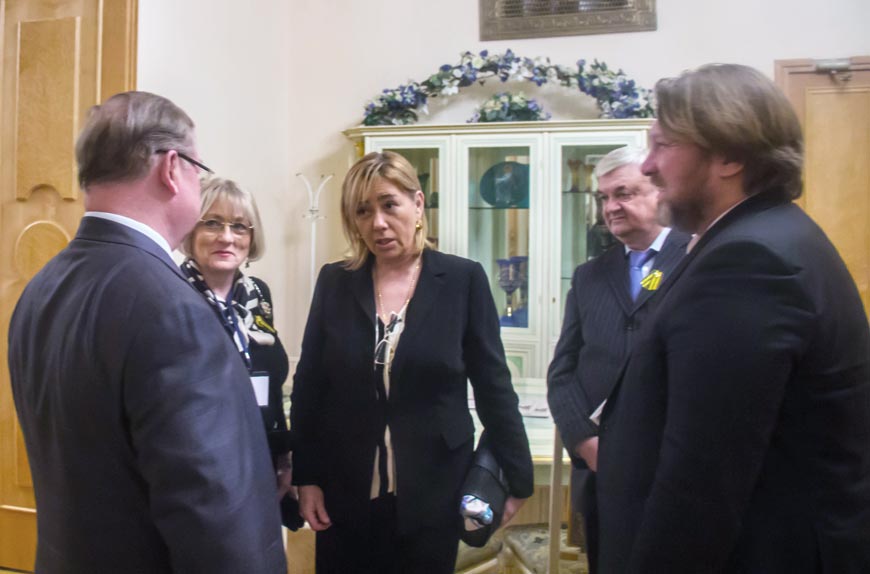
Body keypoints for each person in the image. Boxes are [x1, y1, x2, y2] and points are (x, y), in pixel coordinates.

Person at [596, 63, 870, 573]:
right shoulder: (767, 234)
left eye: (663, 145)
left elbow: (702, 479)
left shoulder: (748, 261)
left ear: (730, 155)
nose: (648, 167)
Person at [7, 92, 286, 573]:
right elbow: (215, 519)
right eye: (198, 169)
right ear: (172, 168)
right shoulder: (173, 309)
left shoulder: (41, 287)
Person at [291, 151, 534, 573]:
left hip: (434, 489)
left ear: (418, 204)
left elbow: (494, 387)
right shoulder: (335, 281)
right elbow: (310, 387)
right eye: (363, 211)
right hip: (344, 490)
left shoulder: (462, 280)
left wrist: (518, 477)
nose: (378, 223)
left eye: (390, 205)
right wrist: (306, 477)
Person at [547, 145, 689, 573]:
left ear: (659, 191)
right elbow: (562, 372)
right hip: (601, 473)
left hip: (672, 469)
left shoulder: (697, 258)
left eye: (623, 193)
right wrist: (583, 441)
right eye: (604, 197)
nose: (610, 207)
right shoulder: (589, 275)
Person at [178, 176, 302, 530]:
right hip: (201, 473)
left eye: (239, 226)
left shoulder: (258, 295)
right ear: (190, 230)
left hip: (261, 461)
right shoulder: (173, 296)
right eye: (212, 223)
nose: (227, 237)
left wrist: (283, 459)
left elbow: (270, 389)